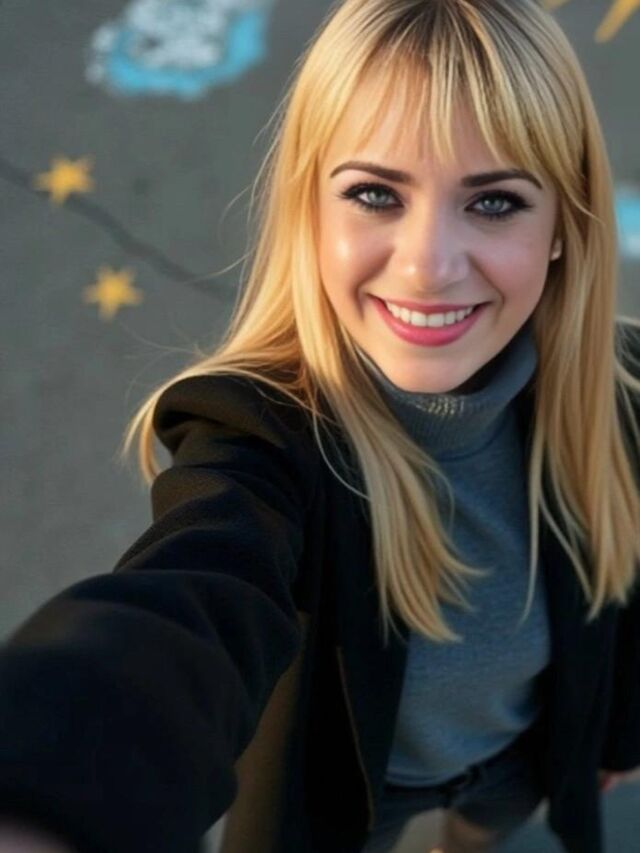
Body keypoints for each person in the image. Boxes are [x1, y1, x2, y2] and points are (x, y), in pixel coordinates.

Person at [2, 0, 640, 851]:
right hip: (354, 803)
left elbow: (624, 588)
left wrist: (616, 730)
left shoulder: (620, 388)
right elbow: (187, 605)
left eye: (494, 203)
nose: (428, 266)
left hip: (519, 767)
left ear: (565, 225)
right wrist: (42, 790)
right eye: (375, 194)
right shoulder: (257, 439)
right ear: (310, 209)